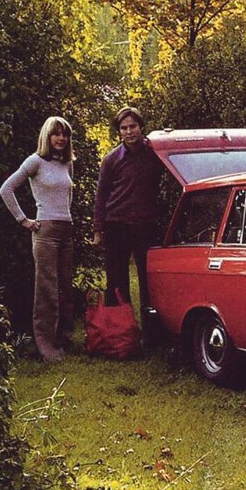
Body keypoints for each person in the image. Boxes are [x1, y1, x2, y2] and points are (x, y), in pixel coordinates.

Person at [0, 116, 75, 362]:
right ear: (47, 136)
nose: (61, 138)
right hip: (45, 233)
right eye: (56, 134)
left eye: (64, 134)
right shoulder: (35, 161)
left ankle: (64, 337)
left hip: (66, 230)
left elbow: (67, 196)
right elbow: (6, 189)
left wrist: (67, 216)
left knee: (65, 287)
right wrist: (24, 220)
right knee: (47, 291)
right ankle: (46, 347)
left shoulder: (66, 163)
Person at [92, 107, 162, 337]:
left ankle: (153, 334)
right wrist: (98, 230)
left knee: (149, 280)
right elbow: (101, 196)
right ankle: (120, 332)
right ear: (119, 132)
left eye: (133, 126)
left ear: (141, 127)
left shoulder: (155, 154)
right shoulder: (111, 159)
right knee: (117, 280)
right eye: (124, 128)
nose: (129, 131)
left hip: (145, 224)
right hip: (116, 224)